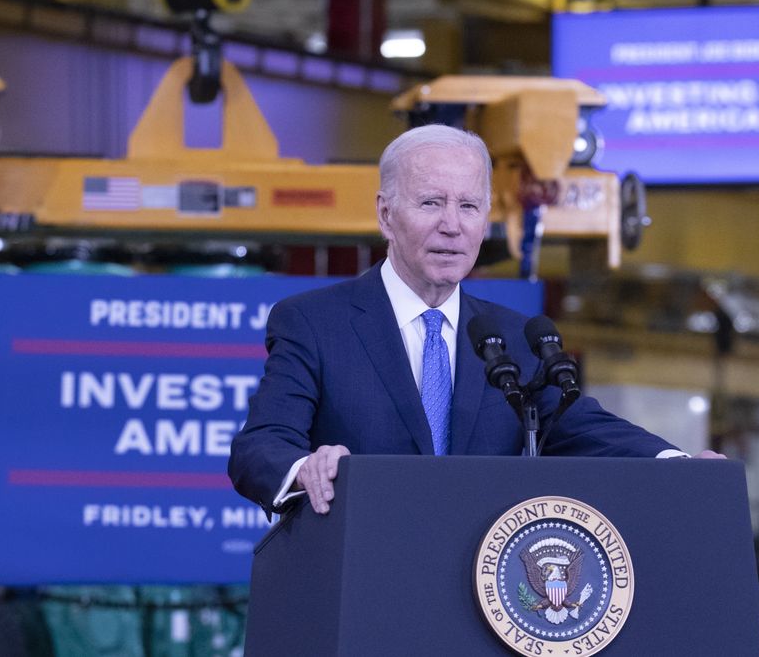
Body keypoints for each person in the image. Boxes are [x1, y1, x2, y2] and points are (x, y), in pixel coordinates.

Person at [228, 124, 721, 516]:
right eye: (431, 203)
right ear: (385, 214)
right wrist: (306, 470)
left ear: (485, 222)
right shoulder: (314, 323)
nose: (452, 225)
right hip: (361, 582)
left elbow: (582, 426)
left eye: (468, 206)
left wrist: (678, 466)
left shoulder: (513, 337)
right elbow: (260, 446)